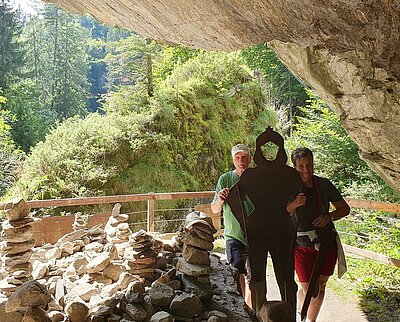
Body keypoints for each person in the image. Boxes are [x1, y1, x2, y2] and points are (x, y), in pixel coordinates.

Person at [286, 147, 350, 322]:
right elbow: (280, 212)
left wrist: (328, 217)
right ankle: (303, 311)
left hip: (325, 242)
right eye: (300, 166)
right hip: (300, 244)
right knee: (310, 291)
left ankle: (310, 320)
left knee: (320, 287)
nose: (305, 170)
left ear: (313, 164)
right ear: (294, 166)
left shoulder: (324, 184)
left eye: (308, 165)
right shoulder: (288, 187)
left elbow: (345, 209)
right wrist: (295, 204)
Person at [211, 143, 253, 311]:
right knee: (237, 271)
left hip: (255, 234)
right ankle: (241, 307)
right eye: (237, 158)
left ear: (250, 159)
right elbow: (214, 208)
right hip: (233, 235)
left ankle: (250, 308)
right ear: (233, 160)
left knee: (255, 275)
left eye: (244, 157)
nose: (241, 161)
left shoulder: (257, 179)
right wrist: (220, 199)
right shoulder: (225, 179)